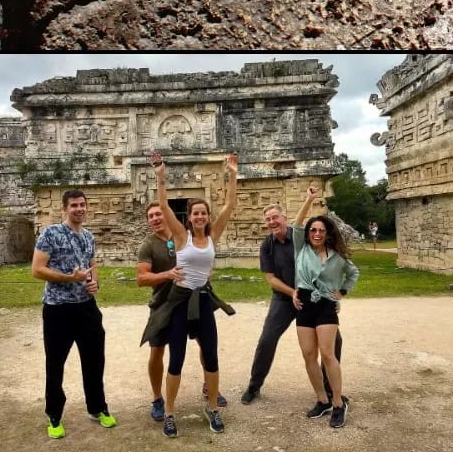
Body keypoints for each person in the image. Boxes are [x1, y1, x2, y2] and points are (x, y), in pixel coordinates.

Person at [141, 152, 238, 438]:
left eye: (203, 213)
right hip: (180, 302)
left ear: (207, 217)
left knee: (211, 356)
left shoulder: (212, 235)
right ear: (190, 217)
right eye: (195, 213)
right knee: (177, 359)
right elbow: (162, 204)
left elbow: (231, 205)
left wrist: (232, 173)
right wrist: (160, 176)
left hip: (204, 300)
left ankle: (212, 407)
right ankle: (170, 412)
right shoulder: (180, 237)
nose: (199, 217)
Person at [31, 188, 117, 439]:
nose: (79, 209)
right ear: (64, 209)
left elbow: (91, 265)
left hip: (86, 307)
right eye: (74, 205)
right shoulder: (51, 233)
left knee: (94, 360)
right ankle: (54, 414)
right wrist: (70, 278)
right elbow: (37, 269)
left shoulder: (89, 236)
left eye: (82, 205)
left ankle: (97, 407)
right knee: (55, 364)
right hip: (58, 309)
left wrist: (94, 283)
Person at [240, 204, 342, 405]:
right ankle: (254, 385)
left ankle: (330, 389)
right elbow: (270, 278)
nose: (272, 222)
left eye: (275, 217)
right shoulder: (267, 245)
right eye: (268, 219)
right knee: (267, 339)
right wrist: (291, 292)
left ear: (284, 218)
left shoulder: (301, 239)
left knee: (334, 341)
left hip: (313, 297)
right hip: (284, 299)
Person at [136, 201, 227, 423]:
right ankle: (158, 399)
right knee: (158, 349)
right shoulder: (148, 245)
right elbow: (141, 278)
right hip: (163, 302)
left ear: (168, 217)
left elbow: (203, 253)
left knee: (206, 346)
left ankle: (210, 388)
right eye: (151, 216)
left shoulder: (182, 236)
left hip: (193, 300)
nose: (156, 219)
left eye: (159, 214)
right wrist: (167, 275)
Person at [292, 186, 359, 428]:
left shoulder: (338, 257)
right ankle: (322, 400)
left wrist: (342, 292)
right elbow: (296, 225)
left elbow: (353, 273)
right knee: (309, 354)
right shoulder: (302, 248)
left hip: (326, 306)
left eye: (321, 230)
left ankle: (339, 403)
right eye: (313, 230)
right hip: (305, 303)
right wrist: (309, 199)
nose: (316, 233)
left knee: (327, 354)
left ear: (327, 233)